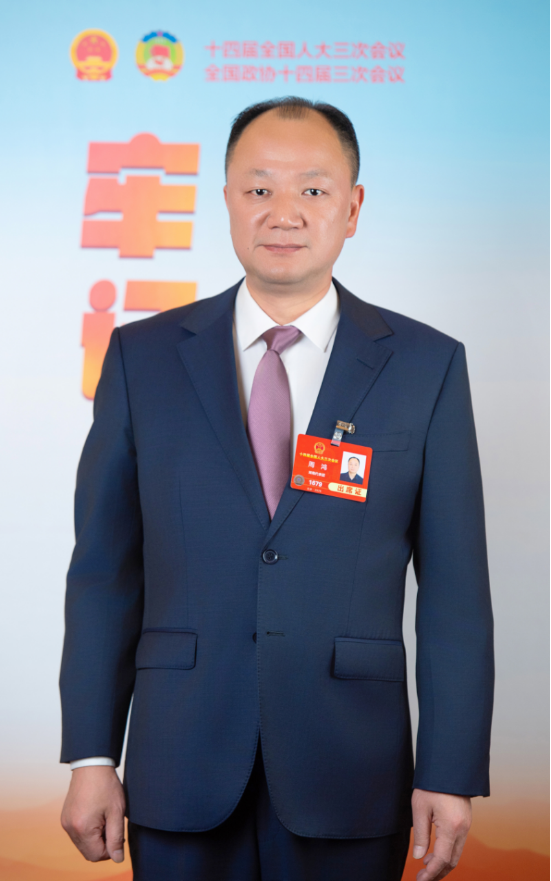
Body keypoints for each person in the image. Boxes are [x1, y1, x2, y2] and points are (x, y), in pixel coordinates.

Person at [60, 97, 494, 881]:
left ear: (351, 207)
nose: (283, 212)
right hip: (179, 761)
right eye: (258, 188)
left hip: (351, 766)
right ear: (226, 199)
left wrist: (449, 767)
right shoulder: (141, 358)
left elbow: (455, 591)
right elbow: (104, 572)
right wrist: (92, 752)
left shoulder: (425, 366)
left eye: (312, 189)